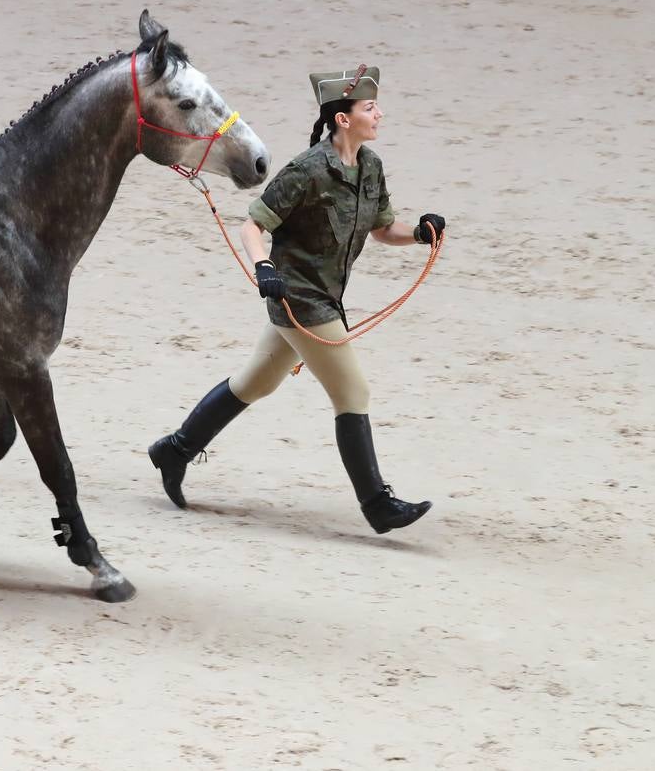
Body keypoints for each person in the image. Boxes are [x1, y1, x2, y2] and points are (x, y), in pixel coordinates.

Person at [148, 64, 445, 534]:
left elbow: (385, 228)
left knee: (255, 383)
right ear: (343, 119)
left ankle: (175, 449)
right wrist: (263, 268)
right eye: (370, 108)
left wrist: (421, 234)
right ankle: (377, 504)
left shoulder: (370, 168)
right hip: (298, 298)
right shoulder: (308, 171)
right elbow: (253, 225)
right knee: (353, 393)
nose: (379, 115)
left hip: (326, 296)